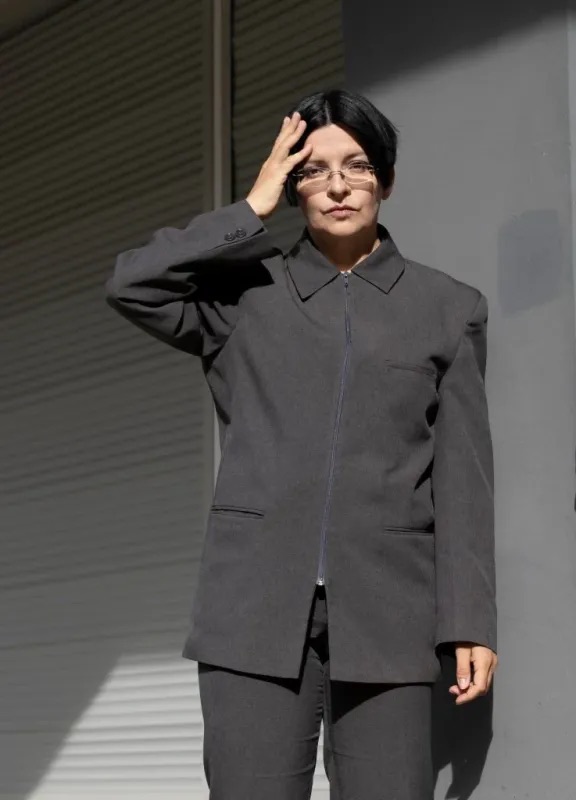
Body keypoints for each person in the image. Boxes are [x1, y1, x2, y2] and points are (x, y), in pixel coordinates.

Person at [105, 88, 498, 800]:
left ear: (387, 179)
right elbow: (131, 284)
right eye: (314, 170)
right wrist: (248, 210)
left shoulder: (448, 309)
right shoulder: (242, 297)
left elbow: (463, 479)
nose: (339, 185)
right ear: (292, 185)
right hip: (251, 610)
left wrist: (469, 619)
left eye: (358, 165)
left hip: (389, 612)